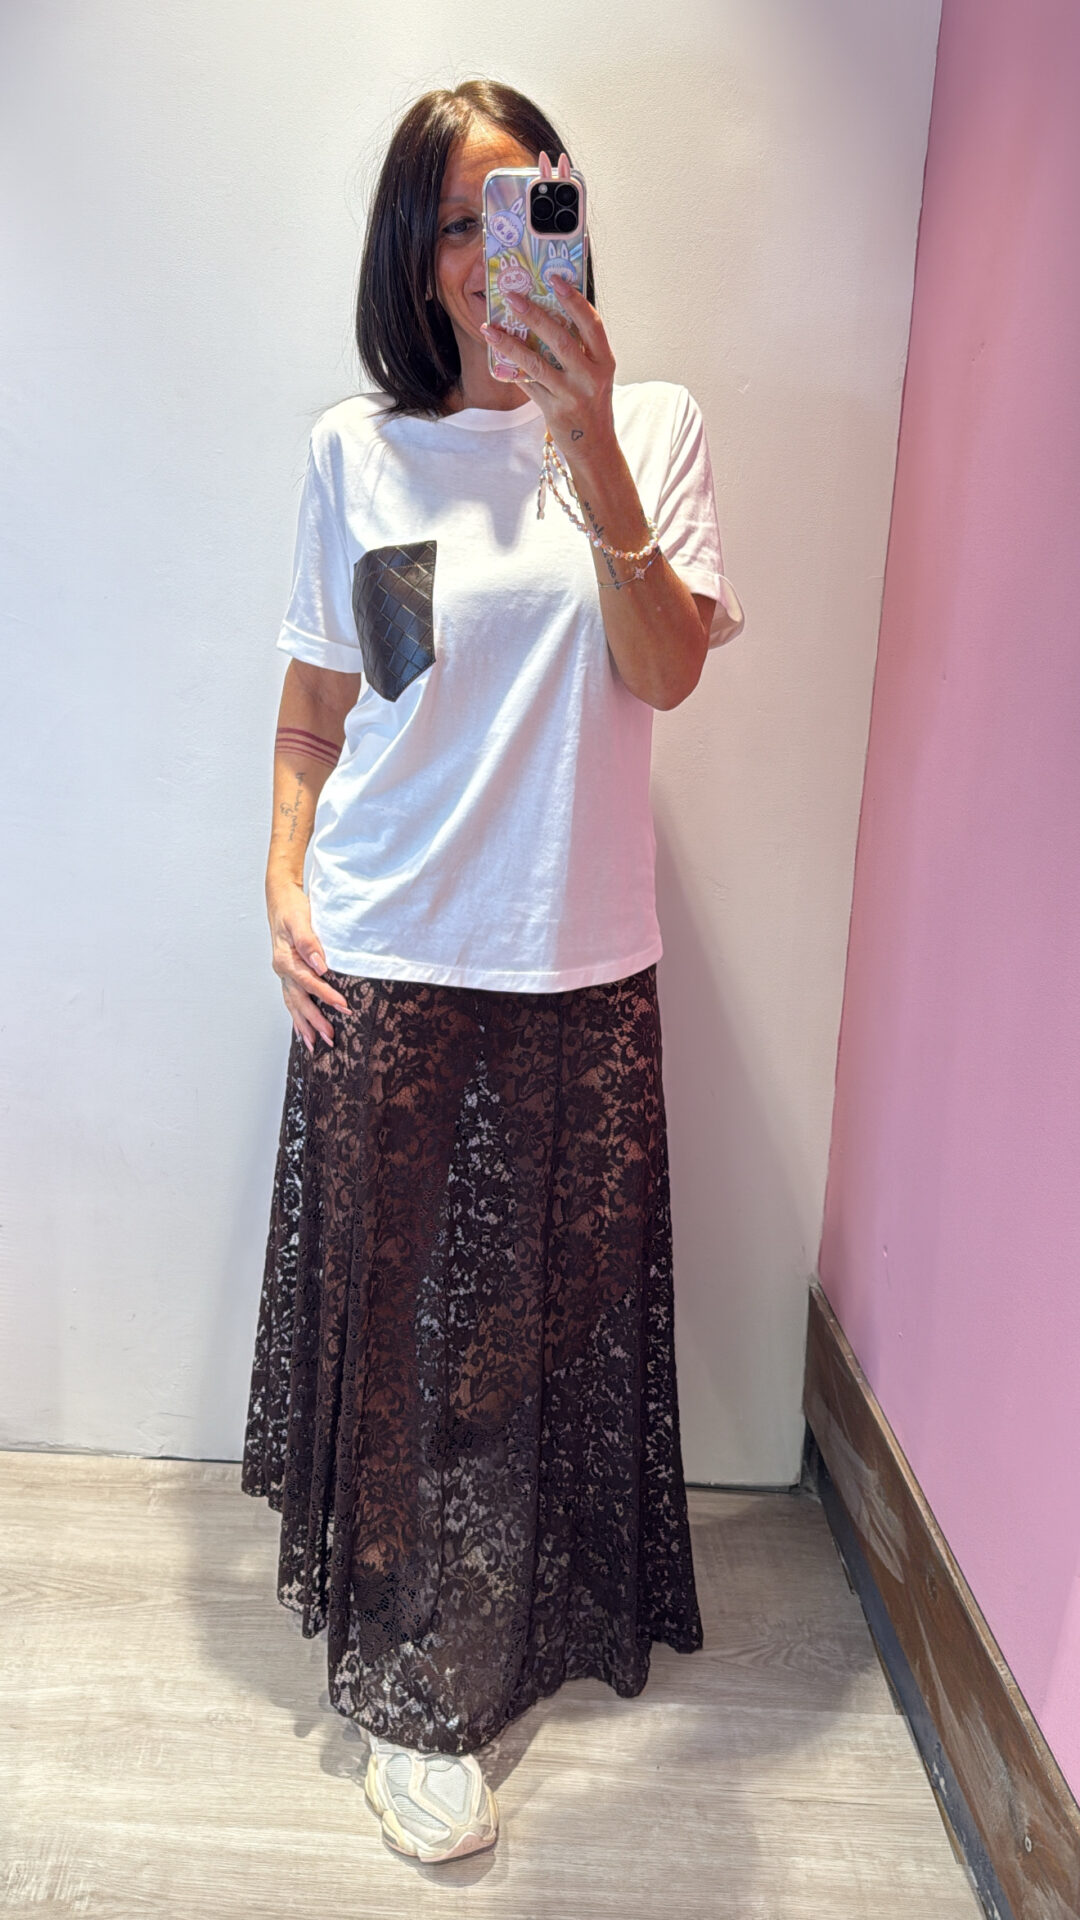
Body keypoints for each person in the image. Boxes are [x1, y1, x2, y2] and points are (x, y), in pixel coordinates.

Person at [240, 77, 745, 1866]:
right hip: (386, 947)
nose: (488, 251)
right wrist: (280, 880)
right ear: (415, 253)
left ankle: (506, 1620)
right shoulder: (359, 454)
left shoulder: (653, 426)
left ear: (571, 221)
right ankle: (420, 1688)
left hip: (575, 956)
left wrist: (591, 445)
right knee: (408, 1329)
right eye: (455, 221)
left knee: (540, 1325)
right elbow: (328, 708)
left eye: (522, 207)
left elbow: (666, 672)